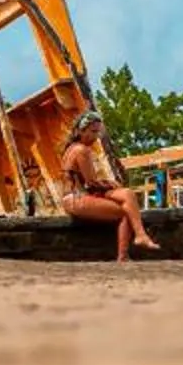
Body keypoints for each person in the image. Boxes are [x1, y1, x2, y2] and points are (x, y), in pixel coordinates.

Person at [60, 109, 162, 260]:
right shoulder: (82, 150)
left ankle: (140, 235)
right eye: (93, 132)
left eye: (97, 133)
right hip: (77, 199)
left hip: (74, 198)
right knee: (125, 213)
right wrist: (110, 184)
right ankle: (124, 254)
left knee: (127, 195)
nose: (96, 137)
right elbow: (91, 183)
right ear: (81, 131)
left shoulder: (71, 149)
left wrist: (110, 186)